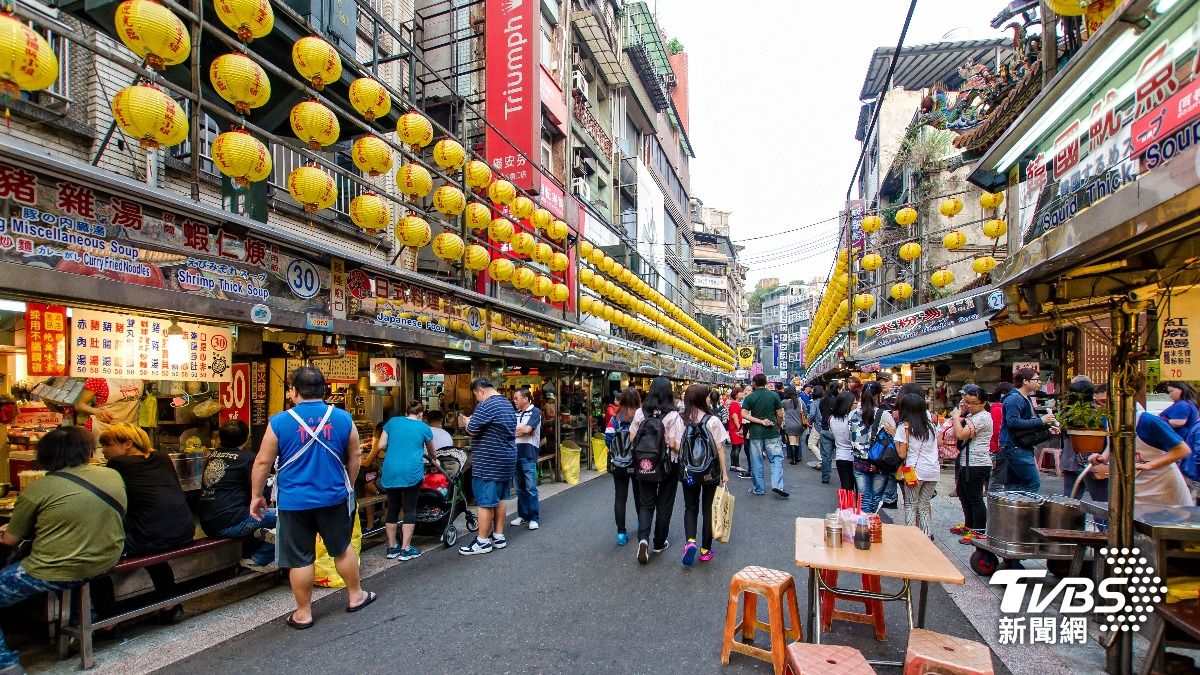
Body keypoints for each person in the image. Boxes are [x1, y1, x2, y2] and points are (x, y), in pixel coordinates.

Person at [251, 366, 373, 629]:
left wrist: (256, 496)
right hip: (333, 498)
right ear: (324, 390)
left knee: (300, 558)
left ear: (294, 391)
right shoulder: (343, 418)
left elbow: (263, 462)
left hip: (294, 502)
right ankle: (355, 596)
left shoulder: (280, 422)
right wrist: (348, 486)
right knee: (342, 549)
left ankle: (304, 613)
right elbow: (355, 457)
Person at [0, 427, 127, 674]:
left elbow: (10, 539)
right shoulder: (112, 475)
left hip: (57, 570)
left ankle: (5, 663)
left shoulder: (39, 488)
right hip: (107, 557)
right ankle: (79, 622)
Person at [100, 423, 194, 621]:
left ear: (127, 444)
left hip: (152, 537)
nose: (103, 450)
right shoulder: (161, 457)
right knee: (151, 543)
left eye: (107, 445)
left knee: (96, 557)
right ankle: (170, 605)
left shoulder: (117, 465)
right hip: (184, 530)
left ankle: (107, 620)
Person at [198, 419, 276, 570]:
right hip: (231, 523)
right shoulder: (247, 459)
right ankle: (259, 560)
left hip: (208, 523)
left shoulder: (212, 456)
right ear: (247, 438)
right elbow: (264, 495)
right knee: (292, 517)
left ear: (220, 438)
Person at [1088, 398, 1192, 507]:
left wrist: (1150, 465)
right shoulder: (1109, 420)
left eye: (1104, 402)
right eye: (1096, 402)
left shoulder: (1147, 420)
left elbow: (1183, 450)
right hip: (1135, 483)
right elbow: (1113, 445)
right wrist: (1104, 457)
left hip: (1162, 484)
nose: (1099, 406)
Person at [372, 400, 440, 561]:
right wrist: (435, 460)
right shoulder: (423, 427)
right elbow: (432, 452)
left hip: (391, 470)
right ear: (421, 415)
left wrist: (396, 448)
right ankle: (406, 548)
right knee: (409, 509)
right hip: (411, 470)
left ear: (406, 413)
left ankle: (392, 547)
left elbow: (381, 445)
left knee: (393, 508)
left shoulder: (393, 422)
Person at [627, 376, 684, 563]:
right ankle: (659, 543)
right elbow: (677, 445)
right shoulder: (674, 416)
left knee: (646, 504)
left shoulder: (640, 413)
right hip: (669, 465)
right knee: (664, 504)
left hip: (645, 464)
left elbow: (632, 438)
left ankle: (643, 539)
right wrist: (664, 441)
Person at [458, 377, 517, 555]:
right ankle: (498, 536)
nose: (477, 399)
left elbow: (473, 429)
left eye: (476, 395)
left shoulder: (487, 405)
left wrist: (467, 421)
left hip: (489, 460)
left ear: (480, 390)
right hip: (506, 458)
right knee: (500, 498)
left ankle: (482, 541)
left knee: (484, 502)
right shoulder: (506, 403)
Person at [676, 384, 731, 565]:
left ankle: (690, 541)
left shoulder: (682, 419)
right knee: (708, 509)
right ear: (702, 399)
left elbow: (678, 446)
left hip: (689, 472)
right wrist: (724, 473)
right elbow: (719, 447)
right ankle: (706, 550)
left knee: (690, 507)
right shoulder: (712, 420)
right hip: (709, 472)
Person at [1000, 368, 1057, 492]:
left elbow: (1027, 422)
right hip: (1015, 446)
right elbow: (1013, 422)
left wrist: (1046, 426)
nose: (1039, 382)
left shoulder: (1025, 398)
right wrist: (1041, 421)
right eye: (1036, 379)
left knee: (1013, 485)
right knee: (1032, 483)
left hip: (1019, 445)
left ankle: (1009, 510)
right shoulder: (1015, 398)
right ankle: (1024, 511)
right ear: (1025, 381)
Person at [950, 385, 993, 543]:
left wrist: (956, 416)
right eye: (966, 402)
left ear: (983, 403)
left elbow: (960, 435)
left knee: (974, 497)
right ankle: (969, 525)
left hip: (978, 462)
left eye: (973, 402)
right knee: (963, 493)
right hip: (967, 461)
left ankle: (979, 530)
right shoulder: (972, 415)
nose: (969, 405)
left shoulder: (983, 417)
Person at [895, 393, 939, 537]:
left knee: (911, 505)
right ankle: (926, 537)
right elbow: (939, 443)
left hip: (914, 472)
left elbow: (902, 454)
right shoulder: (931, 425)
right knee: (924, 505)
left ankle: (910, 537)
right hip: (932, 471)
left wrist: (895, 438)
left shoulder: (904, 427)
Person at [740, 374, 788, 498]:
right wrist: (777, 425)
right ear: (766, 383)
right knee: (776, 458)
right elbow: (780, 414)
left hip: (756, 433)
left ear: (754, 384)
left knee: (756, 461)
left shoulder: (750, 397)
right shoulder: (774, 395)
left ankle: (758, 488)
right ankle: (777, 485)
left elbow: (743, 414)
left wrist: (759, 421)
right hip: (772, 431)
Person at [849, 382, 894, 513]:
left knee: (864, 497)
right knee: (876, 497)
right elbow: (893, 436)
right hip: (879, 461)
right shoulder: (884, 415)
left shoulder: (852, 414)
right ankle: (871, 524)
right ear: (878, 396)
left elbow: (848, 438)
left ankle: (864, 525)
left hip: (859, 461)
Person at [605, 387, 642, 546]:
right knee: (639, 496)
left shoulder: (614, 419)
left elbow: (608, 440)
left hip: (619, 464)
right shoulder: (640, 418)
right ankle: (642, 526)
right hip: (636, 463)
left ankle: (621, 533)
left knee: (620, 497)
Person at [510, 388, 542, 531]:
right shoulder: (515, 413)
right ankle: (523, 515)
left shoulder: (535, 412)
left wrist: (521, 430)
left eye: (516, 398)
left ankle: (534, 517)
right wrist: (521, 430)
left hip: (528, 453)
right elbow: (510, 430)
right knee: (519, 488)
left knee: (530, 487)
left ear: (525, 399)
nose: (514, 401)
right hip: (514, 453)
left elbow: (529, 430)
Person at [828, 391, 857, 492]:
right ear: (848, 404)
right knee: (859, 489)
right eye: (855, 403)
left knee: (846, 487)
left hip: (840, 456)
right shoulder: (852, 419)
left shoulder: (832, 419)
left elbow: (832, 435)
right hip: (854, 457)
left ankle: (846, 507)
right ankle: (856, 507)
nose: (857, 405)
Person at [990, 382, 1014, 488]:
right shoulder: (999, 409)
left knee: (1000, 480)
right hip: (999, 449)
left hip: (999, 448)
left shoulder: (997, 408)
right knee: (998, 481)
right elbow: (996, 431)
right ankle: (994, 504)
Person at [818, 381, 842, 485]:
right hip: (838, 430)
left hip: (825, 429)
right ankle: (844, 478)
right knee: (841, 454)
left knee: (826, 456)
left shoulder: (823, 400)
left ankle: (825, 478)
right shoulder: (839, 401)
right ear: (837, 389)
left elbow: (821, 411)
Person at [727, 386, 748, 476]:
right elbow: (735, 416)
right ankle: (736, 465)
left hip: (733, 428)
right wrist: (739, 428)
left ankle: (733, 465)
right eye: (741, 392)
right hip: (736, 429)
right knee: (737, 447)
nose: (743, 393)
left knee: (735, 447)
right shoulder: (735, 404)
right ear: (736, 394)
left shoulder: (734, 403)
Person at [782, 386, 806, 465]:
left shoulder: (784, 402)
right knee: (797, 442)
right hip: (799, 425)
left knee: (792, 442)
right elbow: (805, 412)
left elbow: (779, 411)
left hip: (789, 425)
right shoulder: (800, 401)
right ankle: (797, 457)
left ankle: (794, 459)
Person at [805, 385, 825, 471]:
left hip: (817, 425)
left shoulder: (814, 403)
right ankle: (821, 462)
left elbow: (812, 414)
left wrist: (808, 421)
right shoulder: (826, 401)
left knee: (811, 444)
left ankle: (822, 460)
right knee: (821, 445)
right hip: (827, 426)